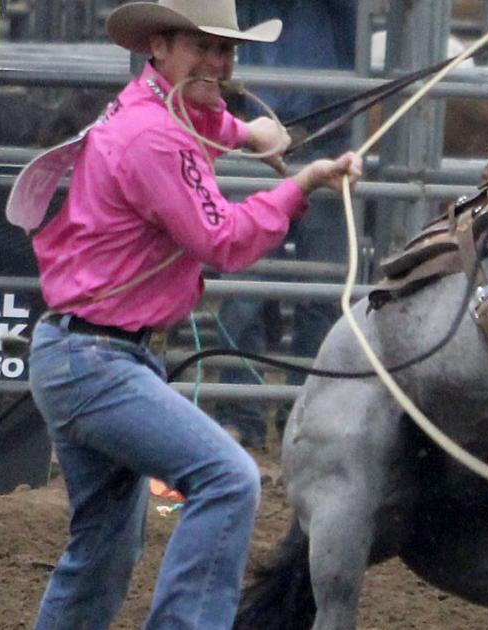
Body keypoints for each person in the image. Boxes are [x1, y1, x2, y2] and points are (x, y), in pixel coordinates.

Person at [23, 1, 362, 628]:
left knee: (101, 549)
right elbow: (221, 239)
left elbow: (198, 122)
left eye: (225, 50)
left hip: (85, 355)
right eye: (202, 47)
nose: (217, 61)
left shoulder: (149, 112)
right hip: (100, 362)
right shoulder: (154, 136)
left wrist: (245, 133)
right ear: (160, 46)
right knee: (229, 479)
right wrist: (300, 186)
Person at [215, 0, 358, 450]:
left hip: (324, 135)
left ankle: (304, 413)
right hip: (260, 138)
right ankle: (243, 413)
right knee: (244, 292)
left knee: (324, 293)